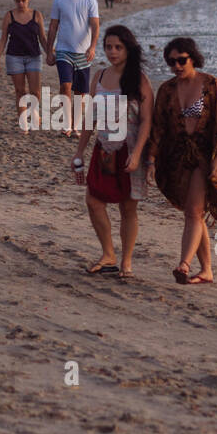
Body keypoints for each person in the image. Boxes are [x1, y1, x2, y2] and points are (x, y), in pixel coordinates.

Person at [145, 37, 217, 285]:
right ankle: (207, 269)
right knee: (195, 215)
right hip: (175, 159)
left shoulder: (210, 84)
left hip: (204, 158)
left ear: (192, 58)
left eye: (181, 60)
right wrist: (151, 161)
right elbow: (158, 128)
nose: (176, 66)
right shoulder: (166, 90)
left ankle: (184, 264)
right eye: (171, 62)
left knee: (193, 211)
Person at [72, 26, 153, 279]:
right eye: (108, 47)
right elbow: (90, 119)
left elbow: (147, 122)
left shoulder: (139, 79)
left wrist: (138, 153)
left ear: (128, 48)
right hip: (104, 150)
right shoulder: (98, 76)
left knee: (128, 209)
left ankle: (126, 262)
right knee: (93, 201)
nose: (113, 51)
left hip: (129, 151)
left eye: (118, 47)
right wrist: (79, 153)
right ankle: (108, 255)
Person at [44, 0, 99, 134]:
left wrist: (93, 47)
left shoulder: (90, 1)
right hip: (63, 50)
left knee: (80, 93)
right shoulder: (59, 1)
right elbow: (53, 26)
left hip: (83, 52)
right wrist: (49, 51)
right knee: (65, 86)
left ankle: (75, 125)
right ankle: (67, 124)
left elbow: (95, 25)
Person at [0, 0, 46, 127]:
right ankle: (23, 122)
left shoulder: (37, 15)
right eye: (18, 1)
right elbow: (3, 38)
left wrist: (51, 54)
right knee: (20, 91)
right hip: (14, 57)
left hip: (34, 56)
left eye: (23, 0)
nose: (21, 3)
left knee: (35, 91)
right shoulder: (9, 16)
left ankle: (34, 112)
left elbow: (42, 38)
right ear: (14, 1)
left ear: (29, 0)